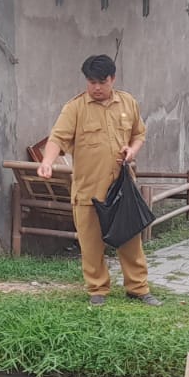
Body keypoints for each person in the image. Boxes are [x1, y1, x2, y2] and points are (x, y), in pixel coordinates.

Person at [37, 55, 162, 307]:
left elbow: (139, 134)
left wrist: (132, 150)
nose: (96, 88)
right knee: (91, 244)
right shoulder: (75, 108)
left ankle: (138, 288)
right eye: (91, 82)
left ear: (112, 79)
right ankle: (97, 289)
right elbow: (57, 139)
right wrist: (47, 162)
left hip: (121, 189)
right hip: (87, 189)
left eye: (102, 82)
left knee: (130, 241)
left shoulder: (128, 103)